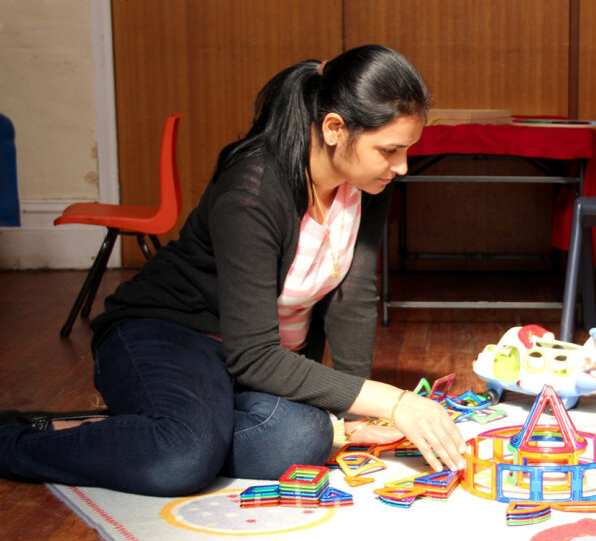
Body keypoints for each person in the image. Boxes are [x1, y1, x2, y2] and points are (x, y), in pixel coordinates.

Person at [0, 45, 466, 496]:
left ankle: (161, 427)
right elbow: (253, 356)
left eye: (407, 151)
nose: (402, 167)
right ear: (333, 128)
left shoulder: (368, 183)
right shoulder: (252, 191)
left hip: (256, 358)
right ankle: (15, 444)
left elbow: (353, 297)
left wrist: (358, 412)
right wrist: (394, 400)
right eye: (389, 150)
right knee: (182, 458)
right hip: (169, 333)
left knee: (302, 439)